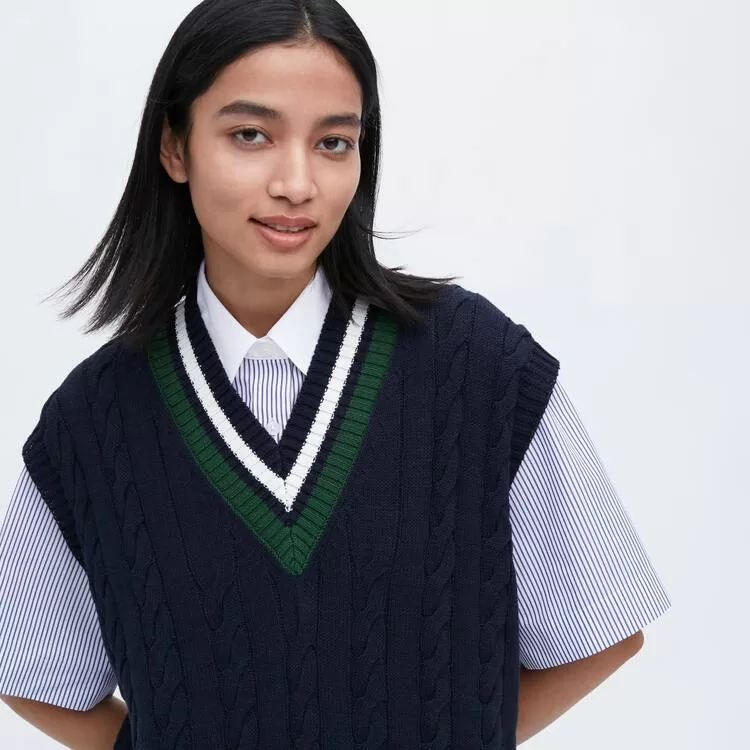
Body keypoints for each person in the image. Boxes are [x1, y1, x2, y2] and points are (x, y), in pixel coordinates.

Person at [0, 0, 671, 748]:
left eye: (333, 142)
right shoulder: (93, 423)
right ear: (175, 146)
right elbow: (31, 675)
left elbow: (601, 630)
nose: (297, 183)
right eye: (250, 135)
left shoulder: (479, 367)